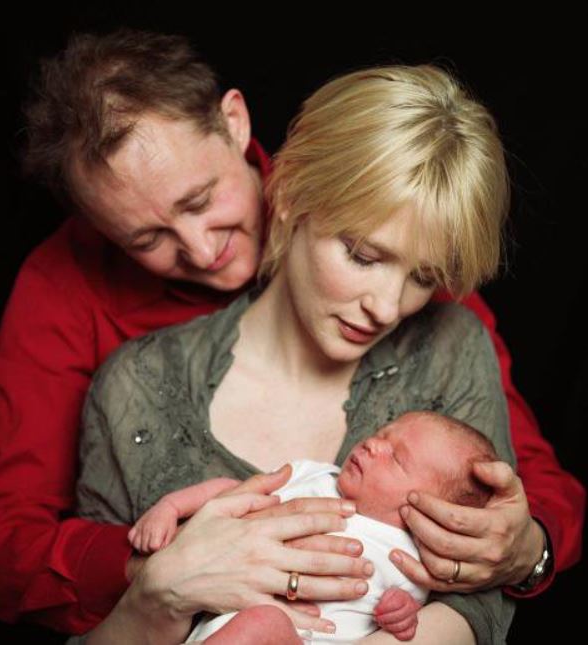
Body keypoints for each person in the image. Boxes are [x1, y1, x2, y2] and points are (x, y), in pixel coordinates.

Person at [0, 28, 583, 637]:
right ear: (102, 227)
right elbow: (1, 542)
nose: (202, 250)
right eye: (146, 241)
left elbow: (498, 475)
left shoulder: (399, 237)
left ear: (237, 126)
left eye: (202, 199)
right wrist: (162, 568)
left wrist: (524, 549)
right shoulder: (103, 338)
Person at [70, 62, 520, 645]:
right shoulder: (136, 386)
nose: (386, 307)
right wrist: (162, 591)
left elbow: (481, 605)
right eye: (362, 254)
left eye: (424, 276)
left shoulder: (450, 346)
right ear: (289, 195)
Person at [128, 411, 501, 643]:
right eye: (384, 434)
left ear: (429, 510)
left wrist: (399, 612)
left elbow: (407, 616)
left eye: (397, 458)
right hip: (219, 625)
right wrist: (172, 507)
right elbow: (234, 492)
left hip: (301, 639)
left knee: (264, 623)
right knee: (255, 623)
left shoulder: (407, 556)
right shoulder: (315, 475)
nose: (373, 445)